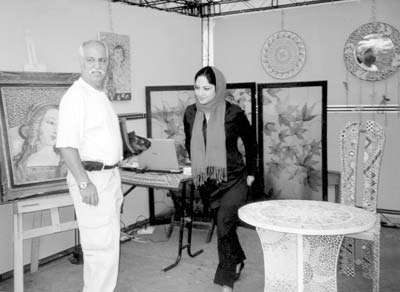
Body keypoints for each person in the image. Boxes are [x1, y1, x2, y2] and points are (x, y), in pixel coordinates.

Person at [56, 40, 123, 292]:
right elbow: (66, 145)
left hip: (109, 176)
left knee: (108, 247)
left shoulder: (99, 94)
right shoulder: (75, 97)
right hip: (91, 180)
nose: (97, 66)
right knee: (98, 250)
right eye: (91, 60)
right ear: (81, 63)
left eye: (102, 60)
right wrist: (84, 183)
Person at [183, 66, 257, 292]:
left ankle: (226, 282)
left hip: (234, 178)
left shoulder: (234, 113)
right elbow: (189, 143)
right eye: (197, 87)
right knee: (225, 227)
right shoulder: (190, 112)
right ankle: (238, 258)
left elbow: (251, 144)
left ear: (219, 88)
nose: (201, 92)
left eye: (207, 87)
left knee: (224, 225)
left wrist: (252, 173)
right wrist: (194, 166)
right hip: (207, 180)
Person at [13, 103, 67, 183]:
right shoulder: (19, 164)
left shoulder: (67, 162)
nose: (56, 130)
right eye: (51, 123)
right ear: (36, 124)